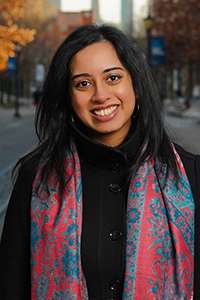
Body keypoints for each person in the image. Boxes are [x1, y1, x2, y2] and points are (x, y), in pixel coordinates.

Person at [0, 24, 199, 300]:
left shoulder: (191, 175)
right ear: (68, 98)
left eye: (113, 78)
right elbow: (10, 287)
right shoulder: (35, 178)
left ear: (136, 86)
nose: (100, 95)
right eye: (83, 83)